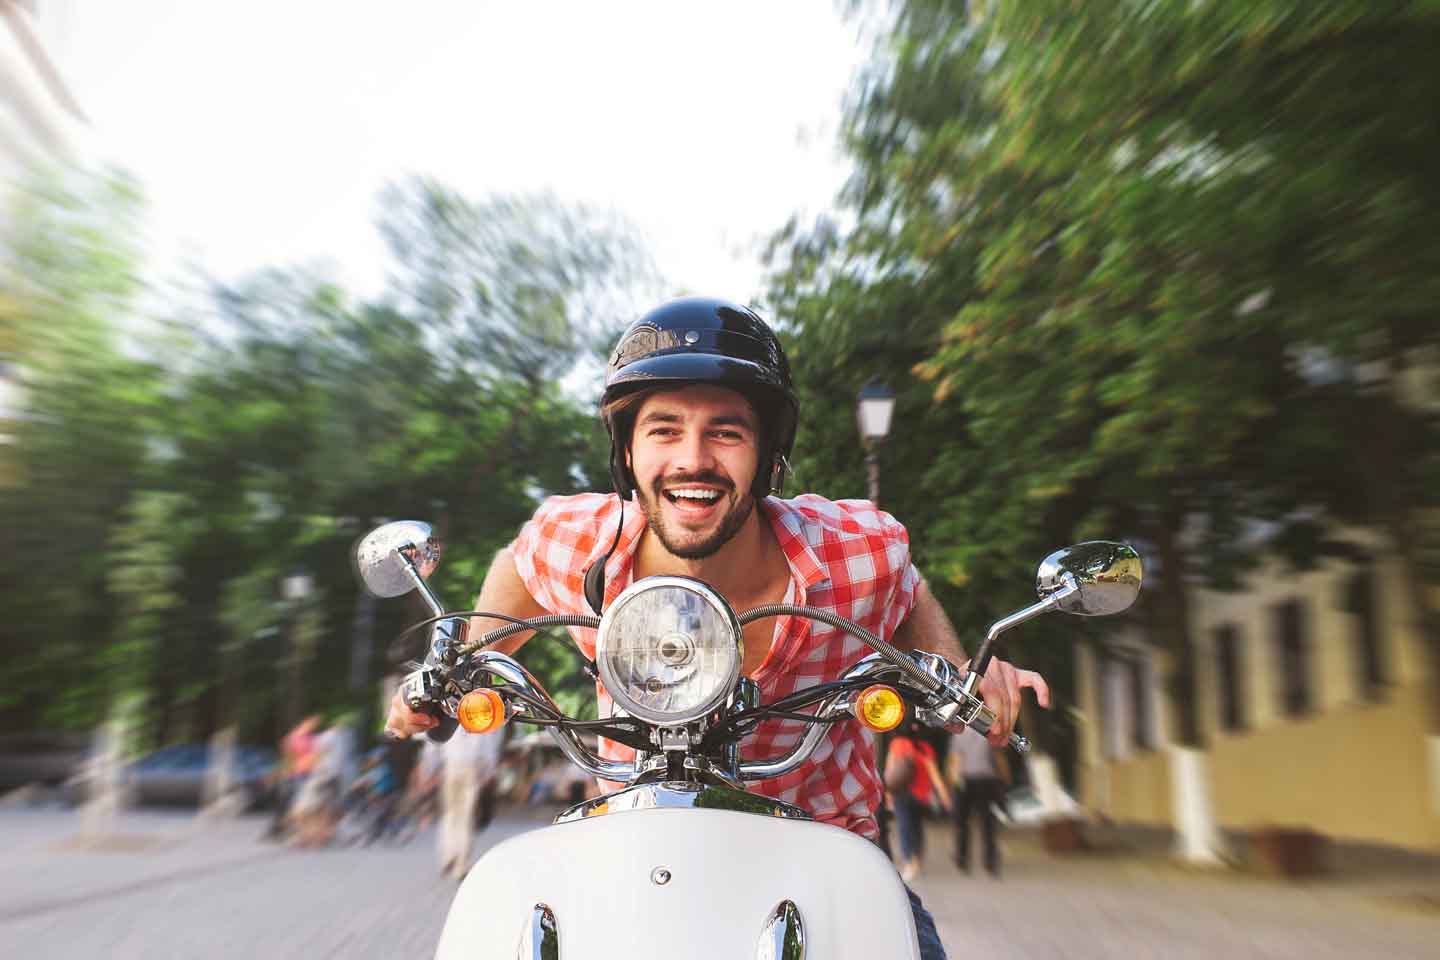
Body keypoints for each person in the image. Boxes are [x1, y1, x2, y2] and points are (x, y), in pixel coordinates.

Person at [385, 297, 1050, 960]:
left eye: (726, 431)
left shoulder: (856, 550)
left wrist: (967, 669)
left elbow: (907, 591)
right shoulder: (576, 540)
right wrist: (460, 663)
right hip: (635, 854)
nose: (693, 459)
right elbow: (519, 566)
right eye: (664, 429)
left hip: (824, 860)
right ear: (626, 452)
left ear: (768, 455)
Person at [885, 718, 951, 883]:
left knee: (904, 826)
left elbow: (890, 770)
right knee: (917, 827)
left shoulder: (897, 743)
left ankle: (910, 862)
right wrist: (944, 796)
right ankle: (918, 859)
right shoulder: (925, 748)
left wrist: (887, 793)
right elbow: (934, 775)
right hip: (921, 795)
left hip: (901, 793)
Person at [437, 727, 506, 880]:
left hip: (452, 763)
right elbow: (489, 744)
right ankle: (460, 864)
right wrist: (490, 772)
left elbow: (438, 740)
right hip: (473, 766)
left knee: (451, 814)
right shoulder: (484, 709)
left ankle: (448, 854)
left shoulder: (451, 707)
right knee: (466, 818)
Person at [948, 726, 1011, 877]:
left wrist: (954, 782)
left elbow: (956, 759)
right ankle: (990, 863)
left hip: (965, 781)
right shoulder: (989, 732)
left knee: (961, 823)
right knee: (988, 824)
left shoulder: (959, 733)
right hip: (987, 781)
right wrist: (1006, 777)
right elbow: (998, 757)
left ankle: (962, 860)